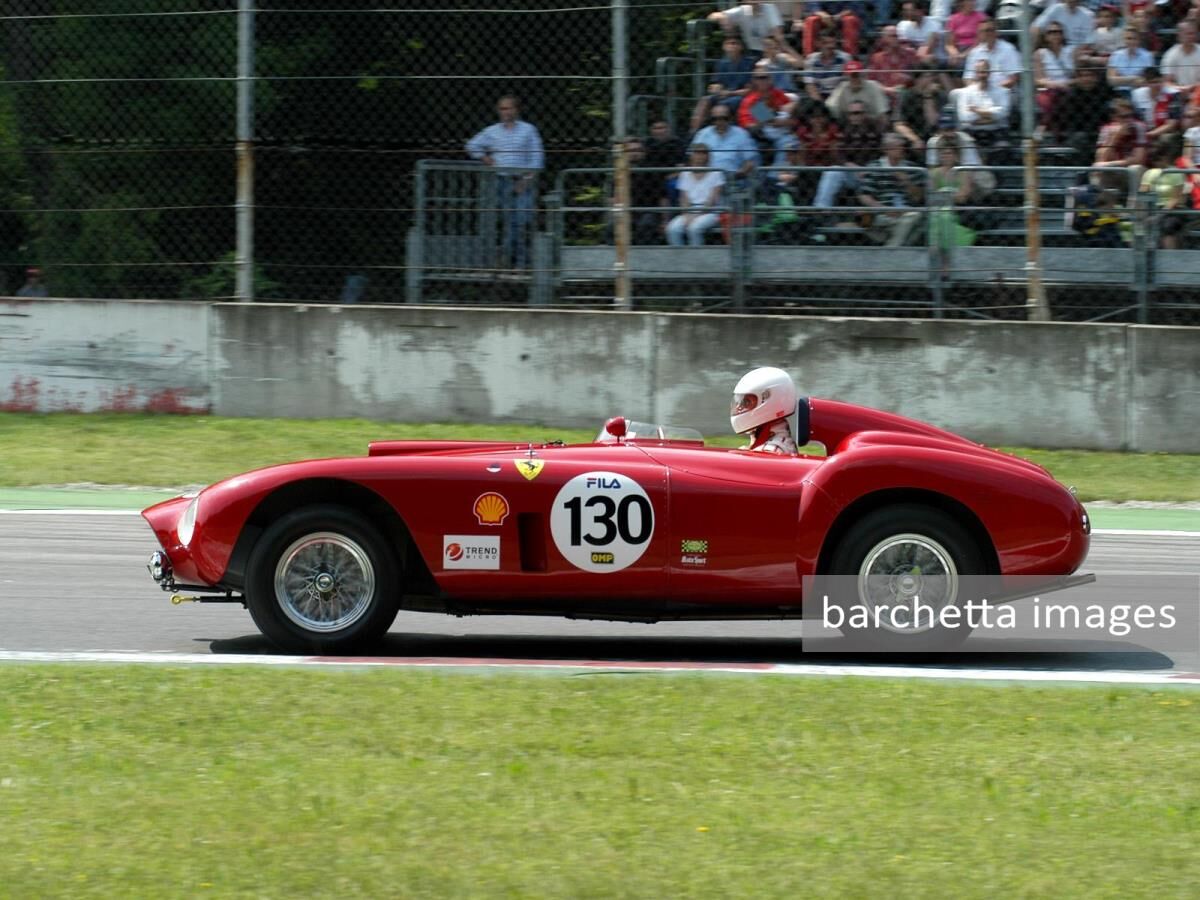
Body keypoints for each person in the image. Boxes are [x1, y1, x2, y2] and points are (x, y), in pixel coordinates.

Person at [465, 95, 544, 269]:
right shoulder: (492, 131)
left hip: (523, 180)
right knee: (510, 222)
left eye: (509, 108)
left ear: (516, 110)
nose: (505, 112)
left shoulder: (528, 130)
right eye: (502, 109)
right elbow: (472, 145)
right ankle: (514, 262)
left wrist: (526, 180)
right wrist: (486, 158)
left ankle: (514, 261)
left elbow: (537, 157)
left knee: (522, 221)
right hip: (501, 181)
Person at [856, 132, 927, 246]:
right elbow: (864, 195)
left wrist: (906, 181)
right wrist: (885, 209)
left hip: (906, 212)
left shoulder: (912, 168)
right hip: (882, 213)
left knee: (914, 217)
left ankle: (890, 249)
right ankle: (895, 249)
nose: (900, 150)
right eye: (895, 147)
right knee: (909, 226)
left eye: (901, 146)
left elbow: (918, 197)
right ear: (886, 149)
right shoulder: (875, 167)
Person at [690, 36, 756, 131]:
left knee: (725, 104)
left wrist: (729, 93)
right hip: (724, 95)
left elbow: (750, 90)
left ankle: (721, 130)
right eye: (728, 43)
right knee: (705, 100)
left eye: (735, 43)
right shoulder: (721, 63)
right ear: (723, 47)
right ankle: (693, 132)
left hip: (739, 96)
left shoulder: (749, 63)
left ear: (741, 47)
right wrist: (717, 89)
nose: (731, 46)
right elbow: (714, 84)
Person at [730, 366, 799, 455]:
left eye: (746, 402)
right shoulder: (773, 440)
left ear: (768, 400)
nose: (739, 407)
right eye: (739, 402)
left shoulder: (774, 451)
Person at [666, 144, 726, 246]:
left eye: (703, 153)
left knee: (694, 228)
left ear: (708, 156)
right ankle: (678, 258)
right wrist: (686, 214)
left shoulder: (716, 173)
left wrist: (697, 215)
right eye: (697, 152)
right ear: (691, 155)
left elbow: (713, 199)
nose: (700, 156)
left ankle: (696, 259)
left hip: (710, 212)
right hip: (689, 210)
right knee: (672, 229)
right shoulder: (685, 173)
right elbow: (683, 198)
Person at [692, 104, 760, 182]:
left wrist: (741, 173)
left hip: (732, 179)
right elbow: (692, 158)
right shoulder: (702, 134)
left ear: (730, 118)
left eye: (724, 118)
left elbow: (751, 161)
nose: (719, 122)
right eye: (715, 119)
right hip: (706, 179)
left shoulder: (741, 134)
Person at [709, 0, 787, 55]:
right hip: (750, 51)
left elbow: (778, 34)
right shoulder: (742, 10)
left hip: (769, 51)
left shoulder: (770, 8)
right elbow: (712, 16)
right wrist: (724, 18)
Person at [827, 60, 890, 126]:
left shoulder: (874, 86)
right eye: (851, 76)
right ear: (846, 76)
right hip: (848, 126)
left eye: (856, 75)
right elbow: (830, 106)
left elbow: (883, 113)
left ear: (862, 74)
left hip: (871, 125)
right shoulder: (842, 87)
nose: (854, 78)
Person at [963, 19, 1022, 90]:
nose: (987, 33)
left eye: (990, 30)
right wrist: (978, 90)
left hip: (1004, 91)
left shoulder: (1008, 49)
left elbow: (1013, 79)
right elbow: (968, 79)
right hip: (980, 92)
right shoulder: (974, 52)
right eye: (983, 31)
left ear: (996, 32)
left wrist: (992, 90)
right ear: (979, 34)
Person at [1131, 67, 1182, 142]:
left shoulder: (1173, 94)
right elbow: (1135, 118)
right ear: (1146, 83)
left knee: (1165, 139)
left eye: (1159, 81)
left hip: (1165, 131)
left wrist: (1151, 134)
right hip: (1144, 130)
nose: (1157, 85)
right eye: (1153, 82)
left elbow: (1172, 124)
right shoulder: (1137, 94)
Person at [1163, 22, 1200, 91]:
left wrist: (1193, 89)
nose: (1191, 36)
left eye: (1193, 33)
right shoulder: (1170, 54)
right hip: (1178, 93)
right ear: (1179, 35)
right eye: (1188, 34)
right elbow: (1167, 82)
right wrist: (1181, 89)